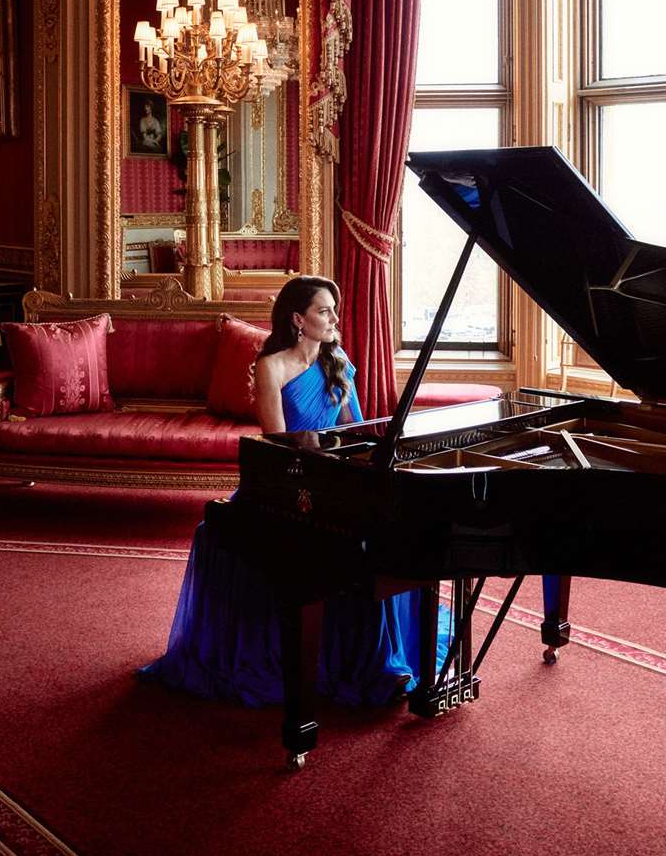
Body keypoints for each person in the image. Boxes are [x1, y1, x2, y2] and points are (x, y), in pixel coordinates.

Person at [139, 276, 445, 708]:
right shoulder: (272, 367)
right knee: (278, 539)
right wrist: (319, 461)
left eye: (334, 309)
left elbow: (352, 432)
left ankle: (377, 659)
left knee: (386, 535)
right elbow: (278, 445)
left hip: (333, 479)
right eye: (325, 311)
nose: (335, 318)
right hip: (287, 485)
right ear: (298, 319)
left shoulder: (336, 360)